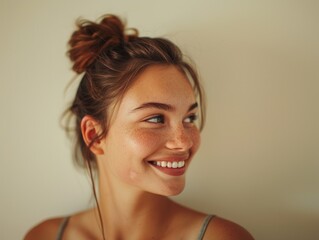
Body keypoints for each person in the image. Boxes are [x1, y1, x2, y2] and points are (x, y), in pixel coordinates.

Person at [24, 14, 254, 240]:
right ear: (95, 135)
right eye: (155, 119)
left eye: (189, 118)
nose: (184, 142)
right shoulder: (43, 236)